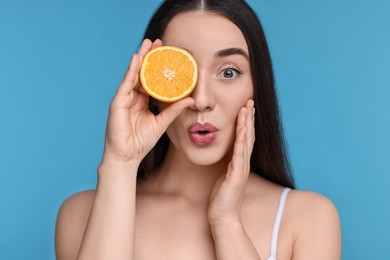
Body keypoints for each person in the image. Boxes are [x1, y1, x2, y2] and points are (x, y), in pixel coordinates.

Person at [55, 0, 342, 259]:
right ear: (151, 83)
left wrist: (227, 222)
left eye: (229, 72)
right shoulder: (80, 215)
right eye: (179, 72)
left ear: (257, 86)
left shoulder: (307, 219)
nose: (202, 100)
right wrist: (120, 163)